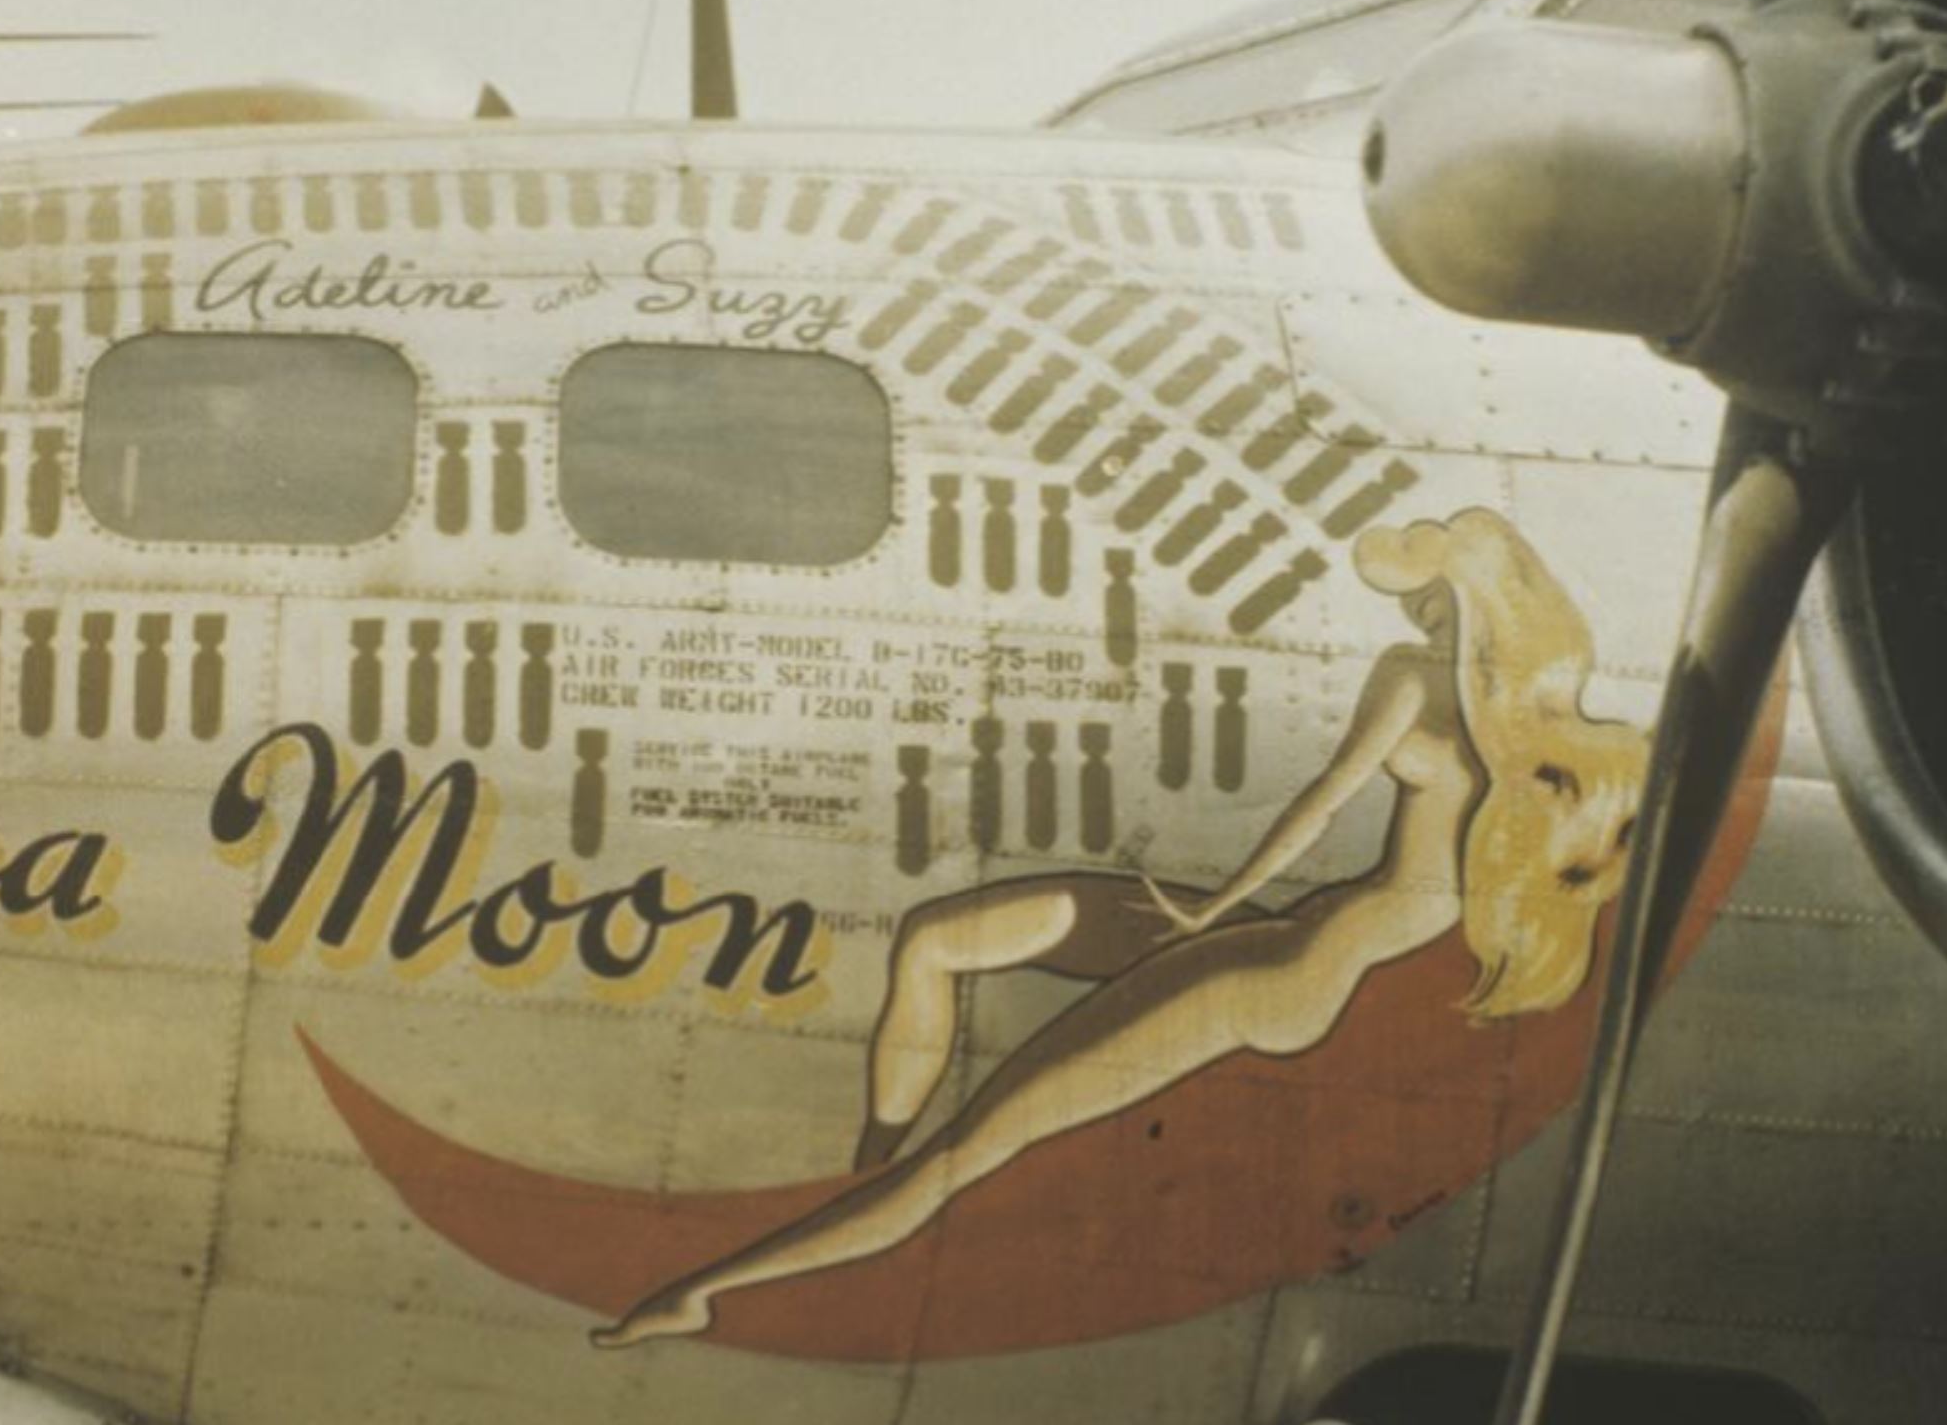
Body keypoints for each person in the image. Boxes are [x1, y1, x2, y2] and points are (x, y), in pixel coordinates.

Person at [592, 507, 1645, 1349]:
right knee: (935, 940)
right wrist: (1212, 916)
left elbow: (1322, 803)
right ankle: (864, 1175)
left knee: (970, 1152)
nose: (1414, 613)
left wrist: (1210, 916)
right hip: (1274, 937)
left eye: (1423, 596)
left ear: (1461, 605)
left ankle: (715, 1286)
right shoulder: (1552, 753)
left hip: (1274, 968)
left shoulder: (1428, 693)